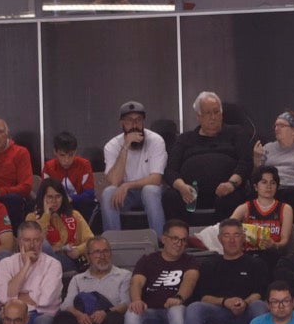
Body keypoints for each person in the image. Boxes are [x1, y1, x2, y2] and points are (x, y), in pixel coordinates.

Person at [163, 92, 254, 224]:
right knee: (170, 197)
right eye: (207, 113)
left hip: (226, 190)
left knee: (232, 198)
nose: (213, 117)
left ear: (222, 114)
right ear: (199, 117)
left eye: (216, 112)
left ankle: (225, 236)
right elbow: (171, 170)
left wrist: (231, 184)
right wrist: (182, 187)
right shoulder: (185, 139)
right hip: (190, 194)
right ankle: (179, 236)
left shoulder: (236, 132)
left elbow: (246, 162)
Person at [101, 101, 167, 235]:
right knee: (108, 192)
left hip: (152, 190)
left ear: (143, 122)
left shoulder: (156, 140)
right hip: (126, 194)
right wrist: (125, 146)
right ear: (122, 123)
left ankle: (160, 241)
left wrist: (127, 185)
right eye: (129, 121)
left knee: (149, 191)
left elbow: (156, 179)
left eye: (138, 120)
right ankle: (113, 242)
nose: (134, 125)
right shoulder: (111, 145)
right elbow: (114, 181)